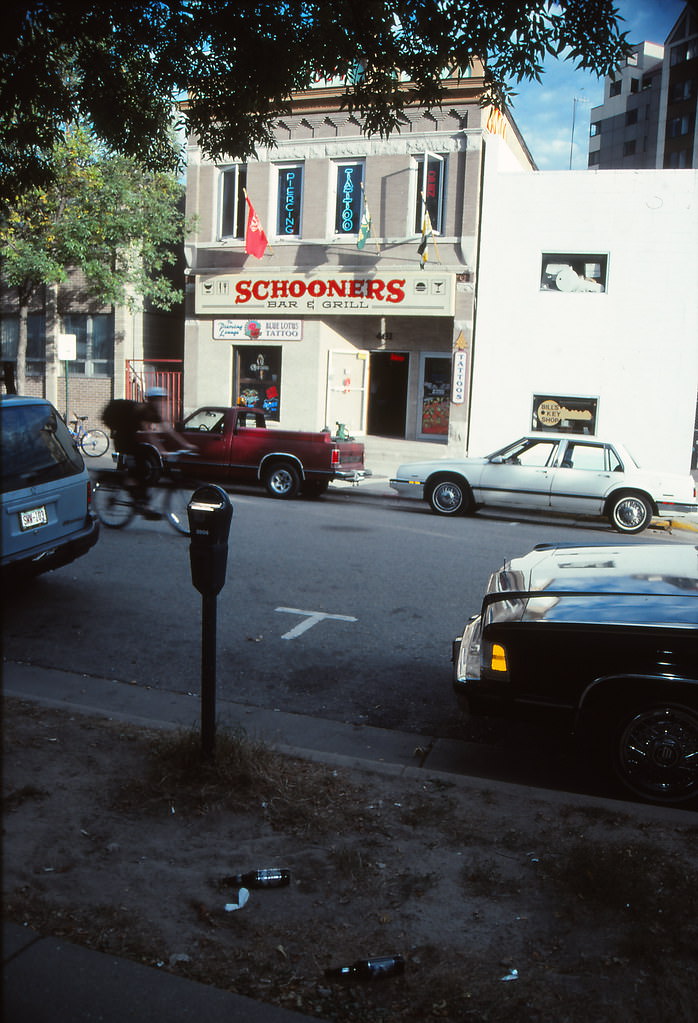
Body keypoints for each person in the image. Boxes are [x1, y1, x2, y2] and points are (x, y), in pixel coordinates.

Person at [106, 388, 195, 519]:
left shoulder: (154, 412)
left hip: (132, 438)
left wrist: (185, 444)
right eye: (157, 399)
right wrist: (162, 450)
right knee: (139, 469)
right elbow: (150, 435)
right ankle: (136, 497)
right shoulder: (142, 410)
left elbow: (168, 429)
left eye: (162, 399)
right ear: (150, 400)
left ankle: (141, 498)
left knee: (147, 465)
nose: (160, 402)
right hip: (122, 439)